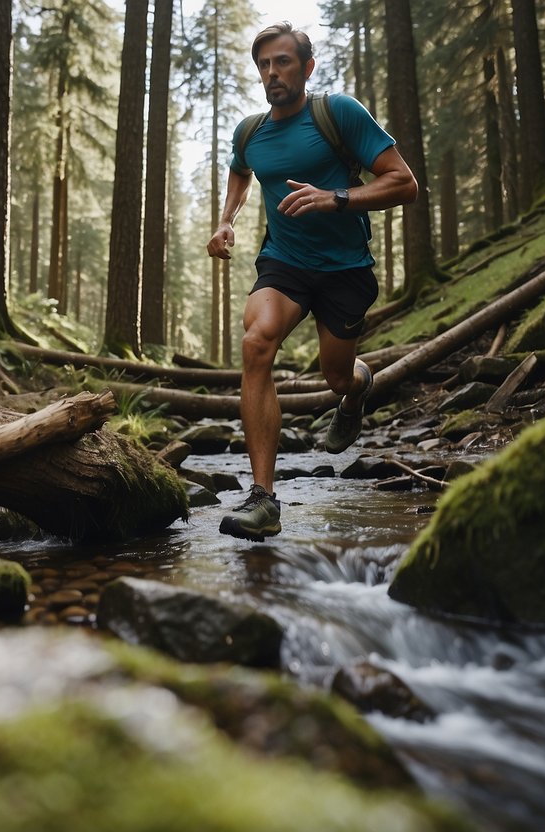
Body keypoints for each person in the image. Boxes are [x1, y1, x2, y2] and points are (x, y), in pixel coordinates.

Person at [206, 21, 418, 541]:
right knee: (256, 342)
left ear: (307, 67)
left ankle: (356, 389)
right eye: (263, 65)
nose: (271, 73)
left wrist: (334, 197)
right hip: (285, 261)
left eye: (281, 62)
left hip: (345, 268)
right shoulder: (251, 131)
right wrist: (226, 218)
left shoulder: (337, 113)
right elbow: (242, 169)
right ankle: (263, 499)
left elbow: (404, 183)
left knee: (336, 375)